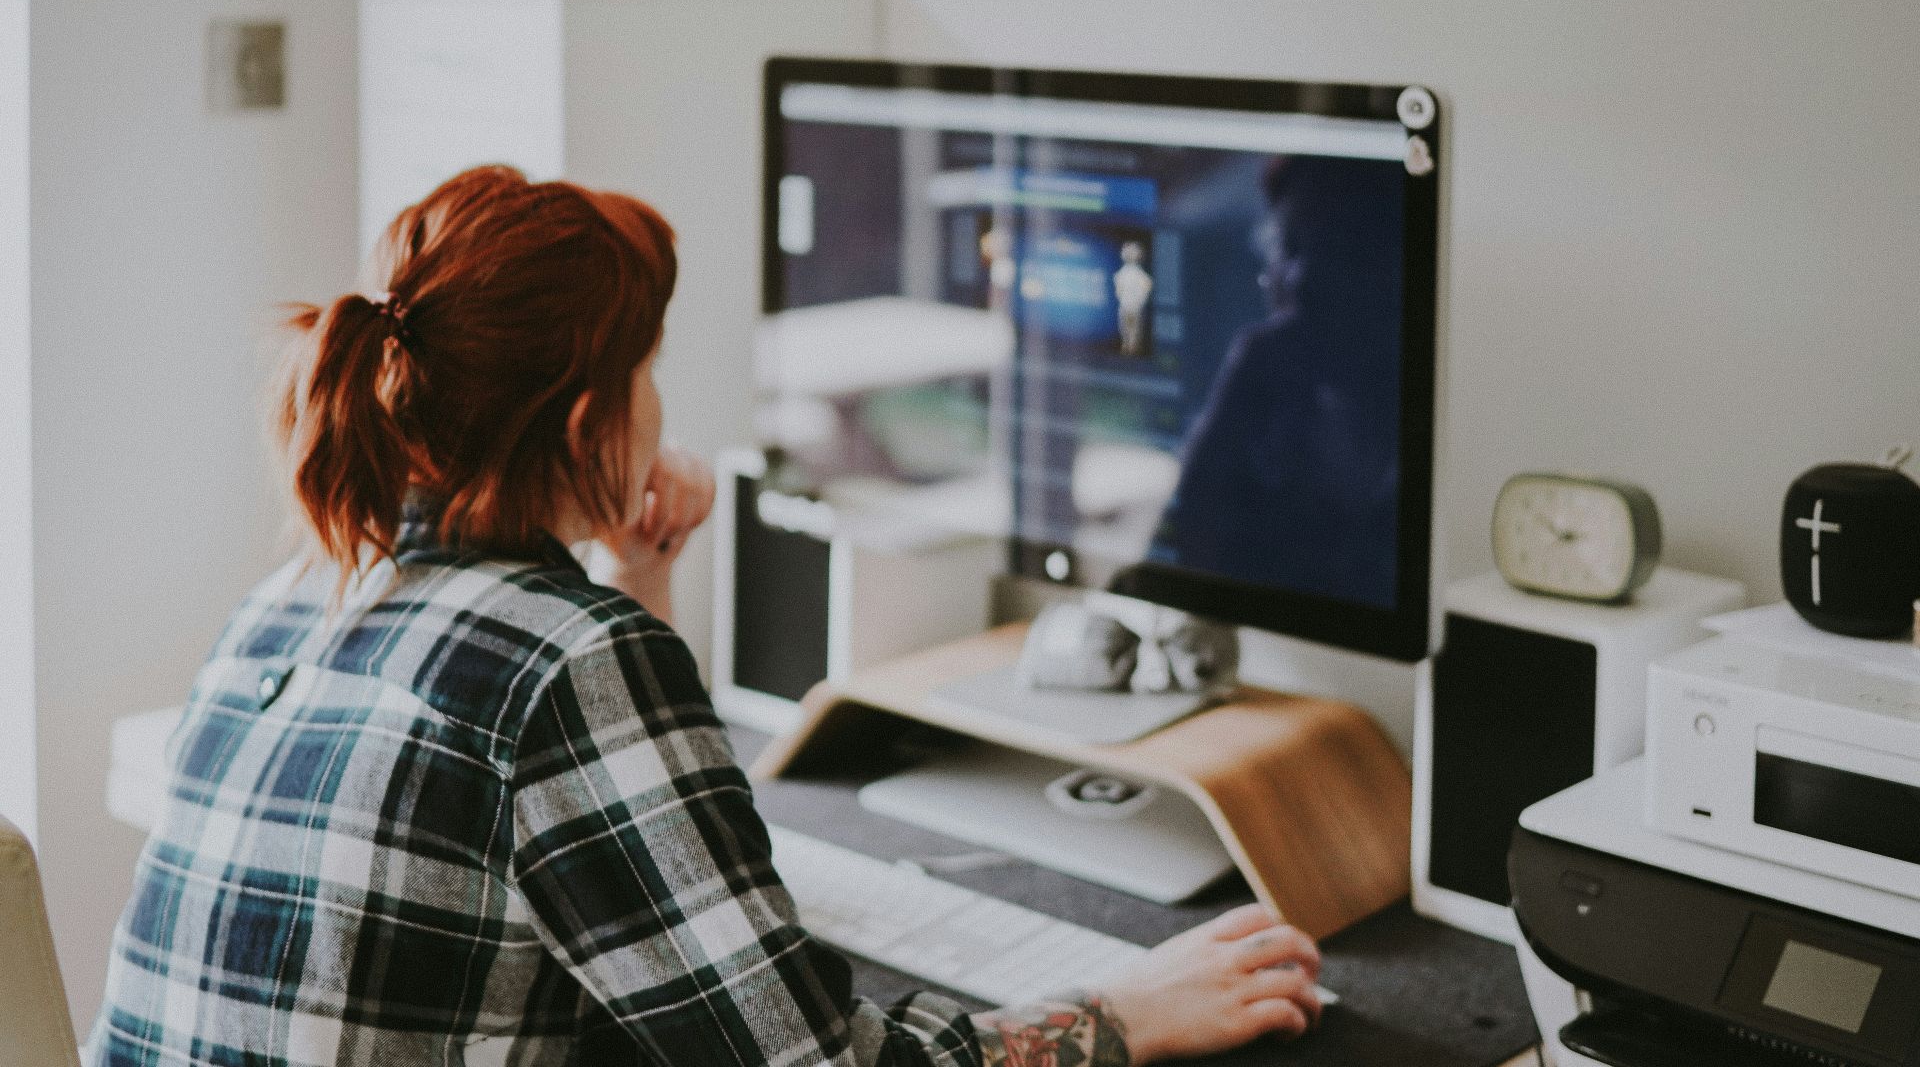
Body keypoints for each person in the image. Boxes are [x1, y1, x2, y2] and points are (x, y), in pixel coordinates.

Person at [86, 166, 1323, 1067]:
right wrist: (1128, 1015)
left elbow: (590, 860)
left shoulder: (295, 593)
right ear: (589, 428)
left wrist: (635, 572)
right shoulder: (570, 663)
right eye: (648, 371)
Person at [1155, 155, 1406, 609]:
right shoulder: (1263, 374)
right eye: (1288, 247)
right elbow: (1178, 547)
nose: (1301, 276)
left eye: (1332, 247)